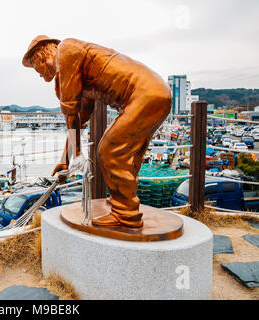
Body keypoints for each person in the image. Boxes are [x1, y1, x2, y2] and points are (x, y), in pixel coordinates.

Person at [22, 35, 171, 228]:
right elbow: (80, 117)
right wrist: (66, 159)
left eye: (37, 69)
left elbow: (70, 111)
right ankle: (122, 202)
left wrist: (75, 155)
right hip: (154, 93)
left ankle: (126, 214)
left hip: (145, 95)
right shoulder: (77, 64)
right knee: (128, 155)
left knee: (110, 151)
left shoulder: (66, 51)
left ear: (41, 56)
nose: (41, 76)